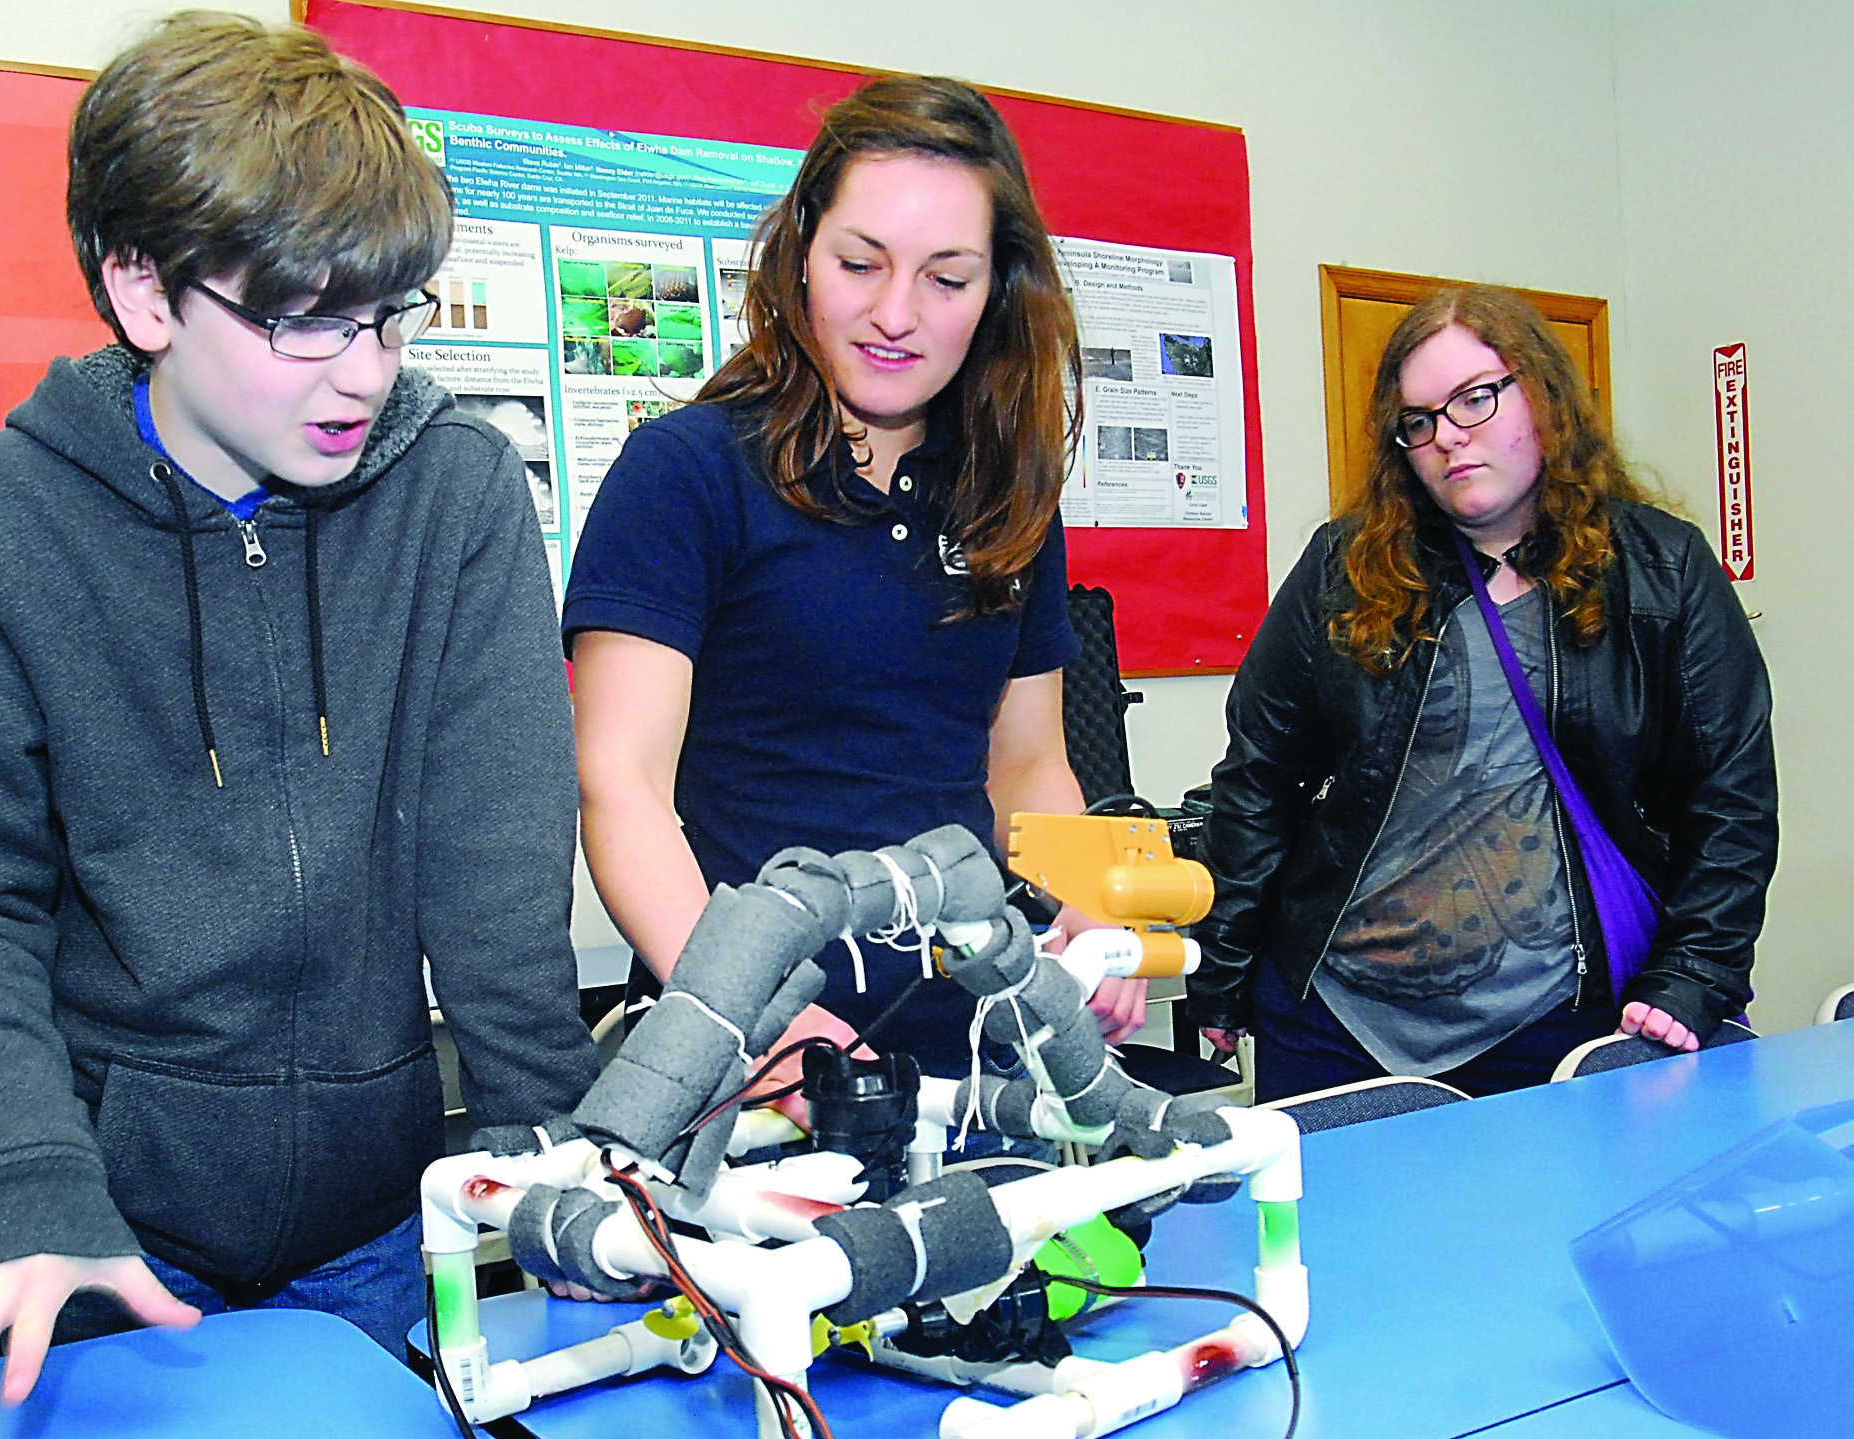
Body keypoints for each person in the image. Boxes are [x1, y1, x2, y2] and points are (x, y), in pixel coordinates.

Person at [0, 13, 596, 1439]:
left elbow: (494, 852)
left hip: (381, 1226)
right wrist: (14, 1179)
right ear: (144, 290)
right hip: (101, 1230)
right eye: (305, 318)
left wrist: (545, 1144)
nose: (363, 373)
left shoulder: (455, 494)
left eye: (390, 313)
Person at [563, 75, 1142, 1101]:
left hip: (977, 1037)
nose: (893, 314)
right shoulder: (686, 471)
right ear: (800, 254)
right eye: (859, 263)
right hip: (746, 1049)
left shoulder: (1010, 492)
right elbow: (622, 785)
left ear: (998, 292)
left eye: (945, 279)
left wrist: (1091, 903)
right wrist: (750, 1018)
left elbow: (1029, 762)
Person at [1186, 283, 1775, 1101]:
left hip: (1561, 1022)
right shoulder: (1343, 569)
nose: (1448, 439)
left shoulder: (1664, 571)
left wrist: (1693, 975)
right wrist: (1221, 964)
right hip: (1335, 1019)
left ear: (1541, 393)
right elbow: (1257, 778)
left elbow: (1730, 803)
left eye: (1474, 399)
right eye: (1420, 420)